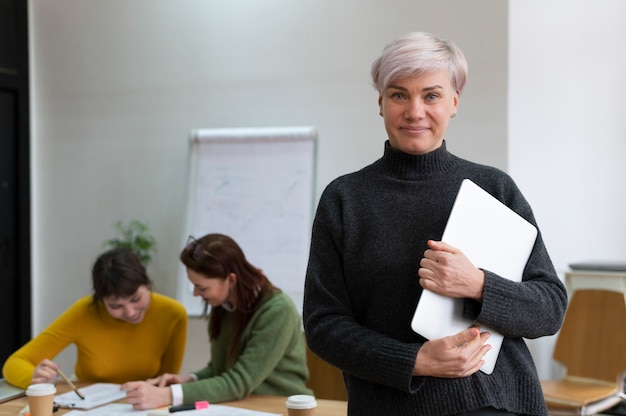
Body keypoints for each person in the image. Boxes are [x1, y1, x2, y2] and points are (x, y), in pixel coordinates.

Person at [302, 32, 568, 416]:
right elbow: (323, 325)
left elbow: (550, 308)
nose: (414, 112)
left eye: (431, 95)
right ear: (380, 102)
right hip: (396, 406)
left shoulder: (494, 188)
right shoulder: (345, 199)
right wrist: (414, 361)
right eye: (398, 95)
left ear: (454, 102)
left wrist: (477, 284)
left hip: (502, 405)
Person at [121, 233, 312, 410]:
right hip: (241, 405)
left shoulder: (278, 311)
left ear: (230, 280)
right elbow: (220, 368)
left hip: (282, 408)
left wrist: (167, 395)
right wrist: (189, 379)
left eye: (202, 288)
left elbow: (239, 382)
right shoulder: (224, 305)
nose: (196, 293)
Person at [2, 247, 188, 389]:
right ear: (100, 300)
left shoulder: (173, 314)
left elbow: (167, 381)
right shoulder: (85, 312)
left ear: (147, 283)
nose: (130, 312)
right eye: (115, 306)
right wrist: (34, 376)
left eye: (136, 299)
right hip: (88, 406)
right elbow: (14, 363)